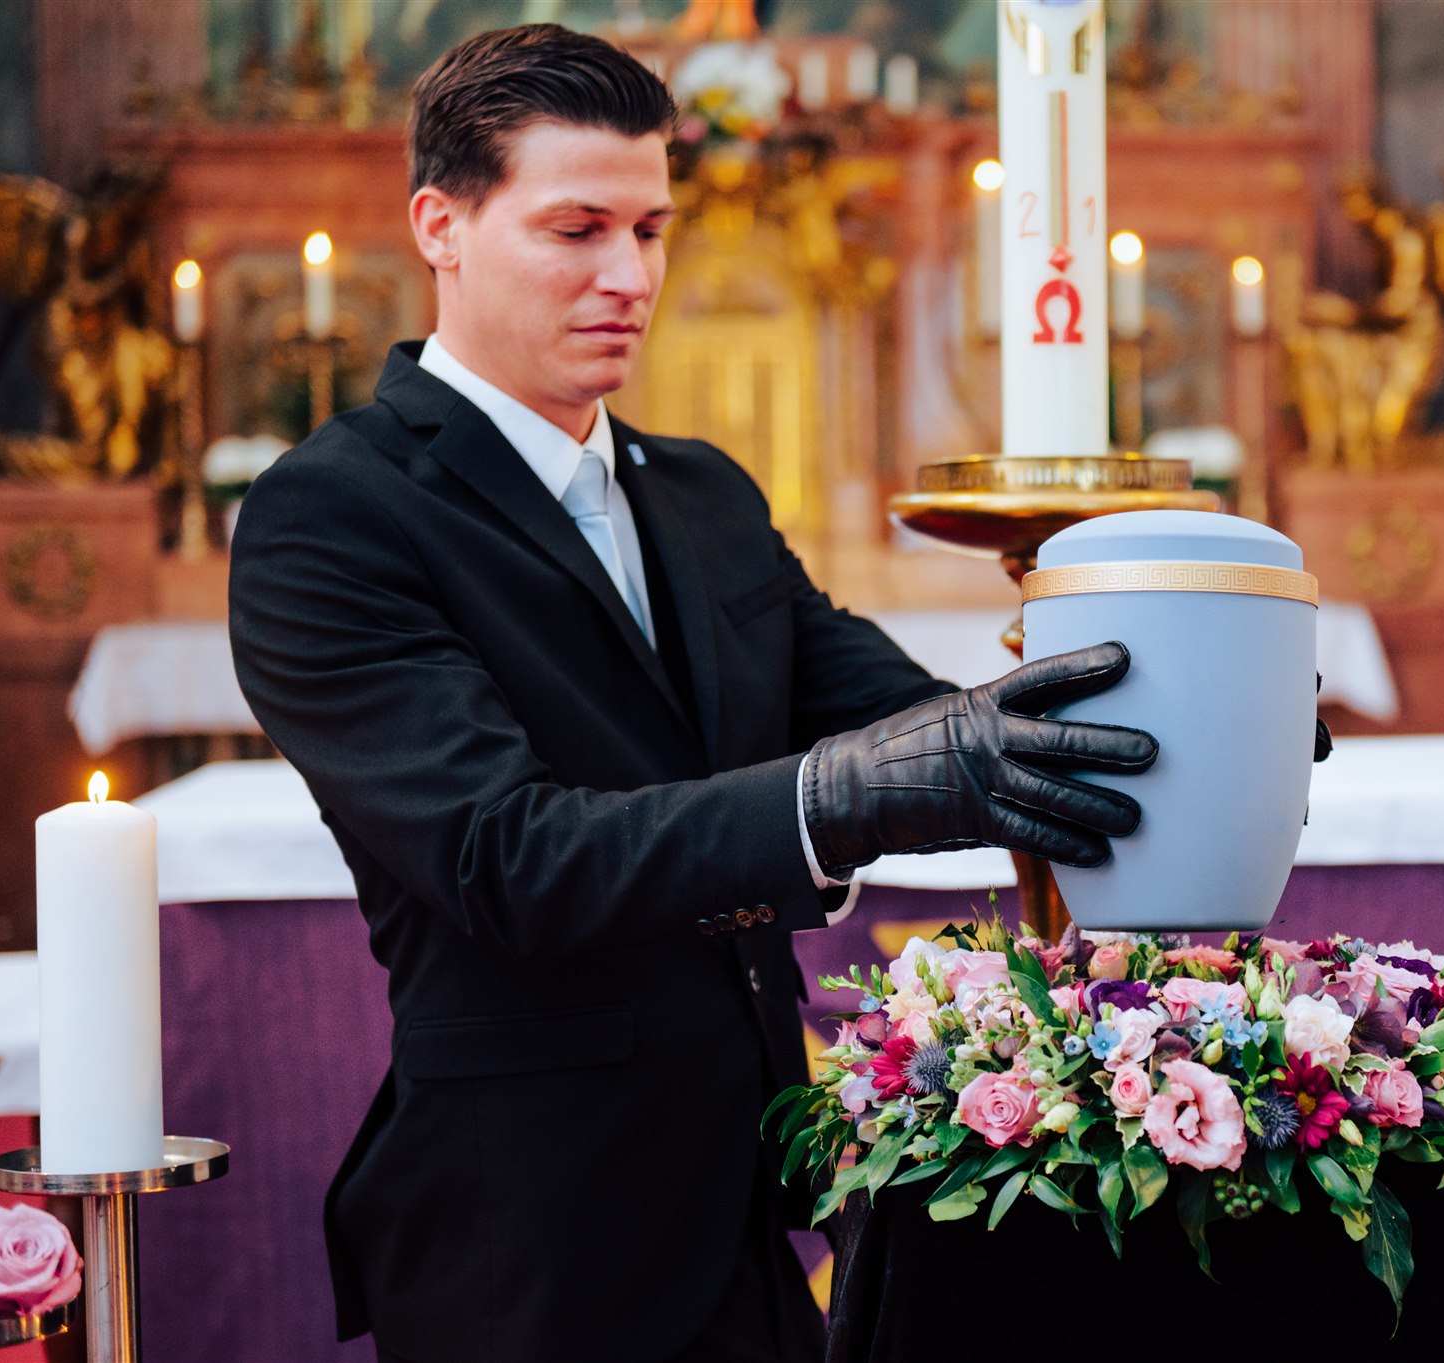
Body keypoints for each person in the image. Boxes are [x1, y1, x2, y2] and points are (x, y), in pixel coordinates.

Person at [227, 24, 1156, 1363]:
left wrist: (1181, 716)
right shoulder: (333, 513)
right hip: (527, 1236)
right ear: (441, 226)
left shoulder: (705, 493)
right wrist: (835, 802)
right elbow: (504, 858)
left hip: (761, 1207)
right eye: (577, 229)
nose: (630, 275)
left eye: (651, 229)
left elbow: (918, 723)